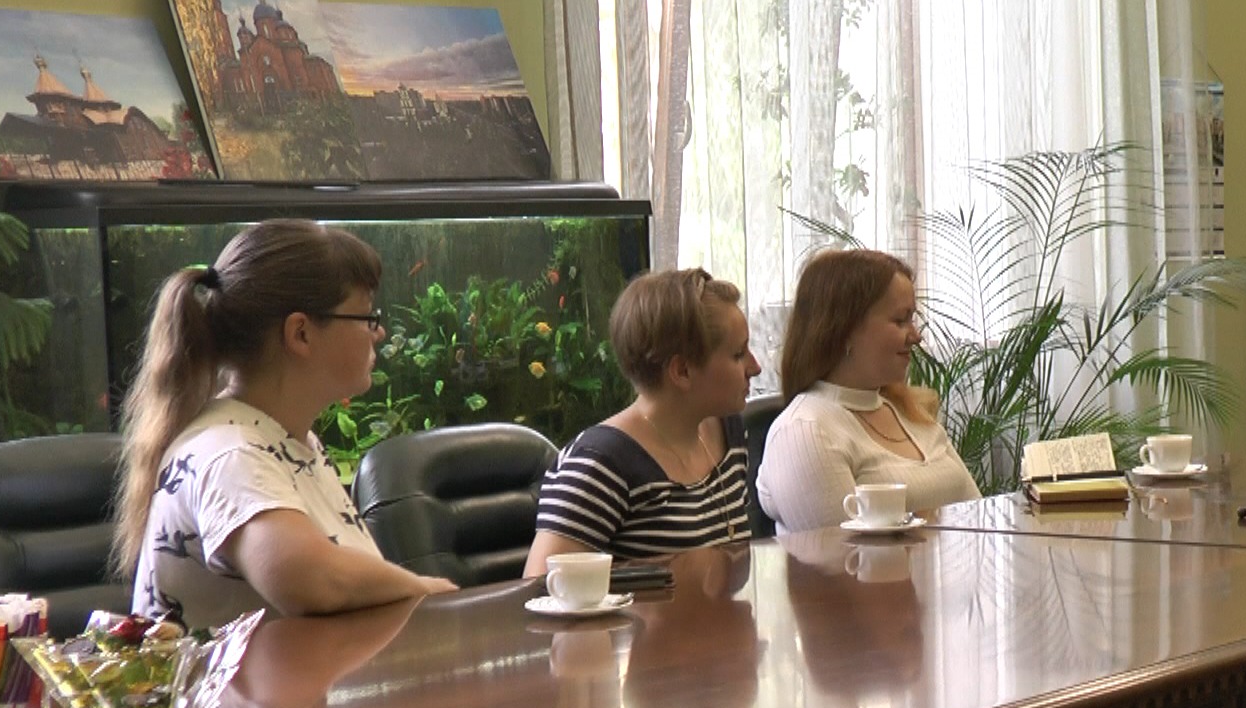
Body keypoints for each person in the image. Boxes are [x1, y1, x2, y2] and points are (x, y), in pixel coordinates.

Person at [113, 219, 456, 629]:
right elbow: (309, 577)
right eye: (367, 316)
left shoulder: (289, 439)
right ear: (301, 333)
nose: (378, 332)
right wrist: (424, 588)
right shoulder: (229, 453)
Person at [524, 269, 761, 570]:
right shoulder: (598, 465)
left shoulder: (729, 432)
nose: (755, 367)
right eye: (738, 354)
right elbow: (541, 586)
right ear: (682, 371)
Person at [756, 249, 981, 532]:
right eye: (900, 321)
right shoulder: (805, 430)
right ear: (845, 329)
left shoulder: (909, 412)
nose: (916, 336)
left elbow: (980, 516)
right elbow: (843, 554)